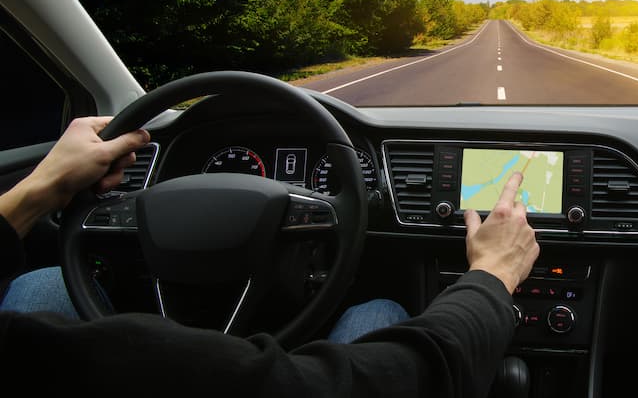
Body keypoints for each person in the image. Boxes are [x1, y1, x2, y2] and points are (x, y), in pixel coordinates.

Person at [0, 116, 540, 397]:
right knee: (377, 314)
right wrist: (492, 277)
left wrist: (36, 192)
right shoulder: (160, 369)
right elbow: (402, 379)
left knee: (45, 282)